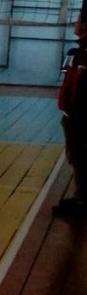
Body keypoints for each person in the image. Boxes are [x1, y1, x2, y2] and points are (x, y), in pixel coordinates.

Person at [52, 12, 87, 217]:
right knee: (76, 155)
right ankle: (80, 196)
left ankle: (81, 200)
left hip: (78, 113)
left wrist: (73, 109)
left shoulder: (84, 52)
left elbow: (80, 84)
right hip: (72, 111)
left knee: (78, 154)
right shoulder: (77, 50)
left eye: (78, 20)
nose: (75, 23)